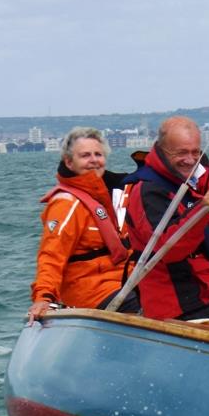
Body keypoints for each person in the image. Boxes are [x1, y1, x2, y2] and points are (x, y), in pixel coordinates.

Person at [122, 116, 209, 322]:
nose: (190, 159)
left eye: (195, 152)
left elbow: (208, 246)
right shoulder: (148, 191)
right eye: (181, 153)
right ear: (161, 149)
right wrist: (201, 209)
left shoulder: (188, 184)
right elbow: (168, 248)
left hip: (206, 299)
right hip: (177, 308)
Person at [28, 127, 139, 322]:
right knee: (148, 306)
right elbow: (51, 254)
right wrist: (44, 296)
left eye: (98, 154)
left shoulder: (103, 196)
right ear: (69, 162)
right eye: (85, 155)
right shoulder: (66, 204)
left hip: (120, 282)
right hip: (91, 292)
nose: (94, 160)